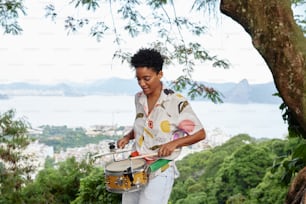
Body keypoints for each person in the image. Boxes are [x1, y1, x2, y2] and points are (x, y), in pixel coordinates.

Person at [117, 48, 206, 204]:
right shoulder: (139, 98)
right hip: (136, 165)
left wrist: (174, 143)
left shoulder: (175, 102)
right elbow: (143, 125)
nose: (142, 84)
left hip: (160, 169)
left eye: (146, 78)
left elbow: (200, 134)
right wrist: (128, 136)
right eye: (138, 79)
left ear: (160, 74)